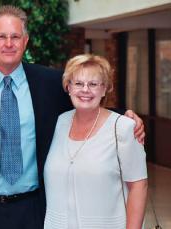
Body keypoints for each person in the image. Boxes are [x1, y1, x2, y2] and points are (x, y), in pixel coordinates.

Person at [0, 5, 145, 229]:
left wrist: (125, 116)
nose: (8, 43)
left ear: (25, 41)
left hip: (35, 209)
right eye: (1, 37)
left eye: (15, 37)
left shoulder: (50, 82)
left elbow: (84, 102)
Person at [44, 54, 148, 228]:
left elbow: (139, 186)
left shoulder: (123, 128)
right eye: (78, 83)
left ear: (105, 88)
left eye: (93, 84)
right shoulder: (59, 122)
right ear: (68, 87)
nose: (85, 90)